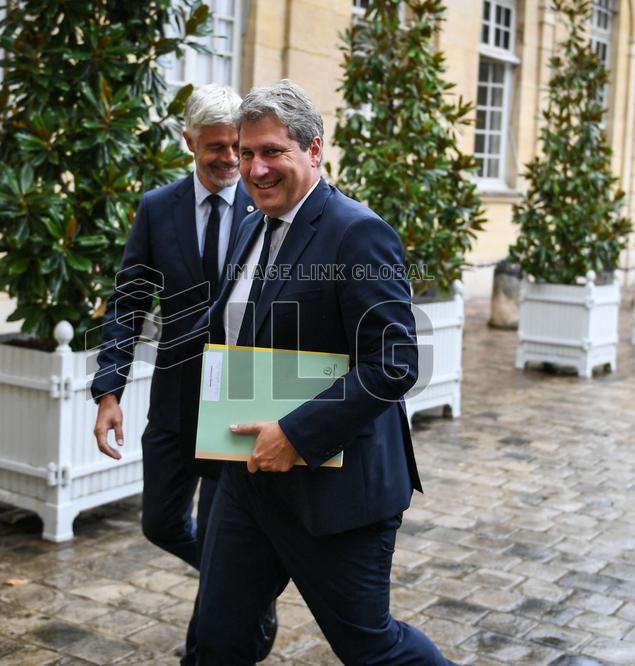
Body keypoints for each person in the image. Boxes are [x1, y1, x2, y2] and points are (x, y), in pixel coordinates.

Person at [189, 80, 453, 665]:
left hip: (335, 492)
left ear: (313, 150)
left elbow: (394, 362)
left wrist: (298, 434)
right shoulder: (251, 223)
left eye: (272, 151)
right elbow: (239, 330)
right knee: (218, 641)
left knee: (371, 650)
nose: (255, 167)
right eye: (247, 151)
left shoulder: (357, 232)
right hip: (246, 481)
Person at [90, 84, 275, 663]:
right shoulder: (158, 208)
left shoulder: (267, 203)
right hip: (173, 399)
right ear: (188, 141)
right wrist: (109, 390)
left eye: (236, 147)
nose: (228, 160)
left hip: (238, 400)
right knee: (161, 523)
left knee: (222, 533)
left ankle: (216, 633)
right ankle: (245, 589)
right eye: (215, 147)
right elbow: (128, 303)